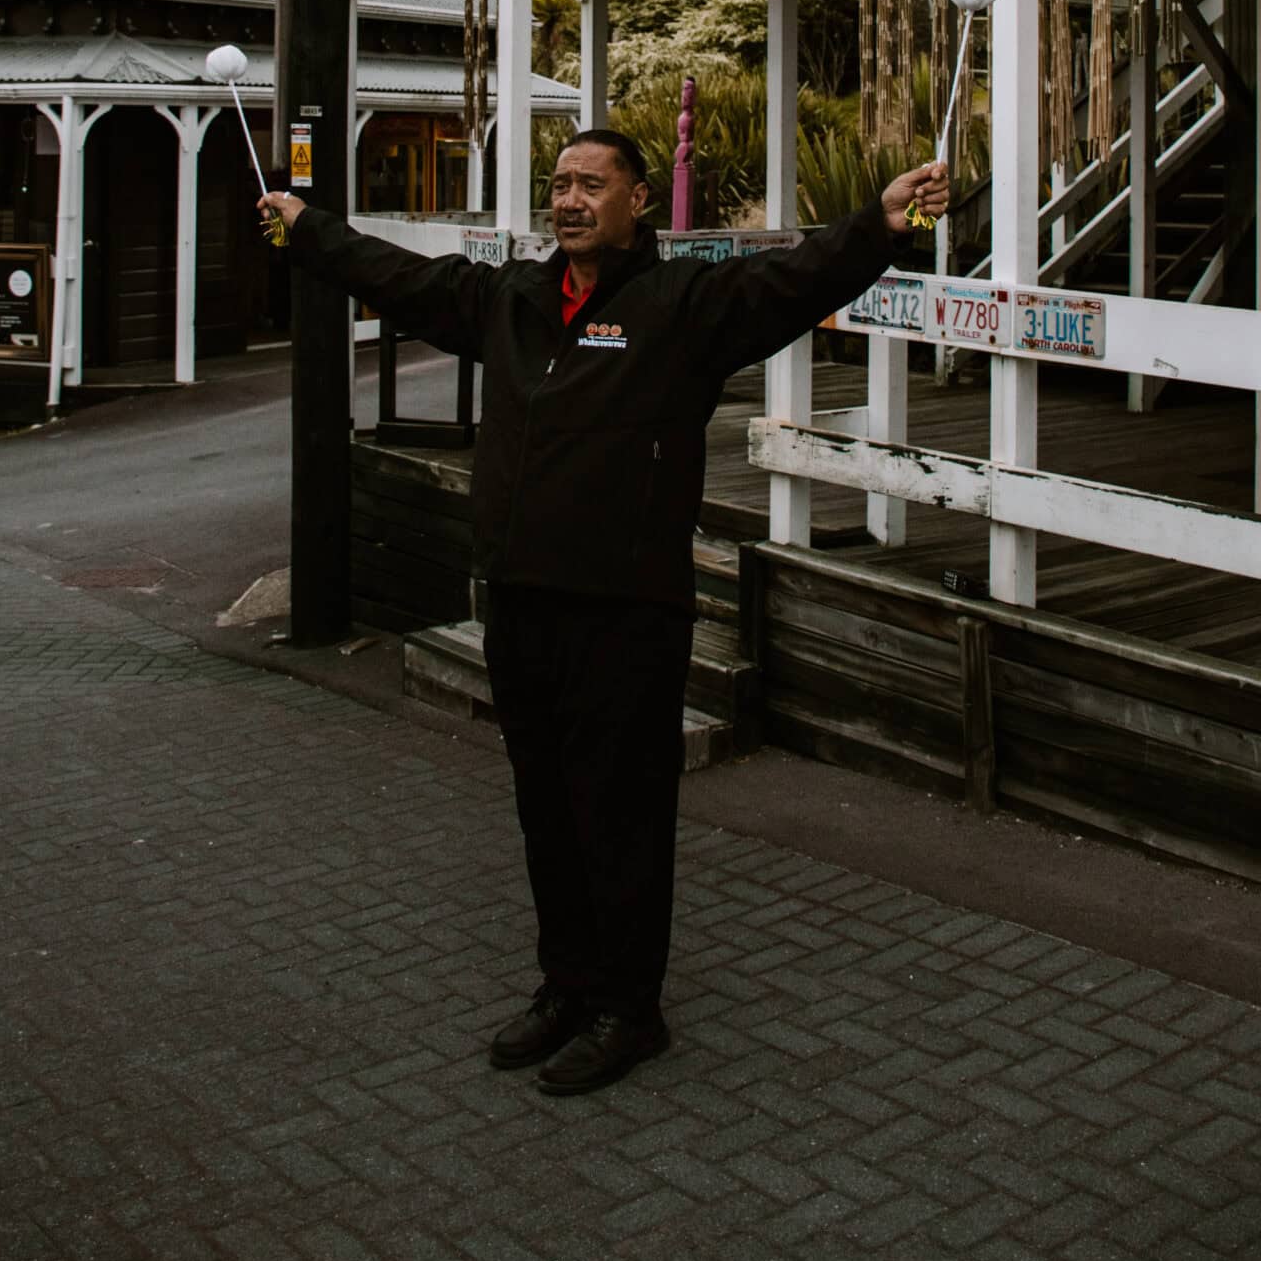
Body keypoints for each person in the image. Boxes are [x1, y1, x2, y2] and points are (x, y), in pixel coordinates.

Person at [262, 132, 948, 1096]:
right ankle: (566, 985)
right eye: (559, 185)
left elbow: (798, 278)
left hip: (627, 610)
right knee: (544, 804)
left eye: (592, 184)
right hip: (520, 600)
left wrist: (881, 222)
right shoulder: (512, 301)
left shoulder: (687, 308)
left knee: (618, 813)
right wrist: (307, 229)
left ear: (638, 203)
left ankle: (630, 1009)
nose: (571, 199)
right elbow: (399, 275)